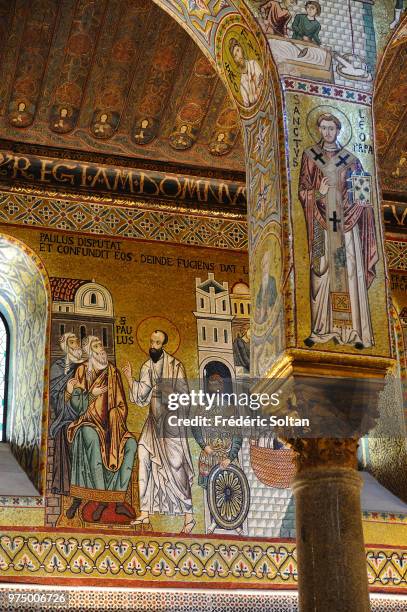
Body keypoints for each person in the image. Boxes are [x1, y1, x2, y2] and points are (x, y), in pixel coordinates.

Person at [298, 112, 378, 348]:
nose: (327, 132)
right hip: (321, 223)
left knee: (350, 272)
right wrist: (318, 193)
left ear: (339, 129)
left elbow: (363, 196)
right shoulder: (310, 156)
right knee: (321, 271)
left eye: (331, 128)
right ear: (319, 130)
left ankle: (354, 332)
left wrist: (351, 205)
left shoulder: (352, 159)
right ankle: (321, 329)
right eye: (323, 128)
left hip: (347, 227)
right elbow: (303, 190)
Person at [122, 330, 195, 533]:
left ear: (164, 345)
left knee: (175, 464)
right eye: (151, 341)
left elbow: (185, 397)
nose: (152, 345)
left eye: (157, 342)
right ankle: (145, 512)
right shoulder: (147, 366)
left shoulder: (175, 366)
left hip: (170, 423)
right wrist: (129, 378)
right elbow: (140, 395)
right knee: (143, 455)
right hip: (153, 423)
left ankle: (189, 516)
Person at [66, 336, 137, 521]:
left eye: (101, 345)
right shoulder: (82, 371)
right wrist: (92, 395)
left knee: (130, 444)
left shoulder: (113, 372)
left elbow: (122, 406)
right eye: (96, 346)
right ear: (89, 351)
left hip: (112, 427)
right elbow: (76, 405)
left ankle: (118, 499)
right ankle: (100, 501)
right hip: (88, 423)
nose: (101, 349)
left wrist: (115, 416)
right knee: (90, 435)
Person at [49, 333, 84, 496]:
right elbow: (54, 395)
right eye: (72, 342)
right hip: (65, 416)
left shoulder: (85, 366)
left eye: (77, 341)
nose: (76, 344)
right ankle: (67, 486)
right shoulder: (57, 366)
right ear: (65, 346)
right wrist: (68, 394)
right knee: (66, 432)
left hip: (85, 414)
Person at [229, 38, 263, 107]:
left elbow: (263, 83)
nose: (238, 56)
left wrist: (254, 97)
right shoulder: (242, 85)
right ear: (235, 60)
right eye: (235, 55)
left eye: (238, 50)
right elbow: (247, 106)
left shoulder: (254, 64)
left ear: (241, 48)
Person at [255, 250, 277, 325]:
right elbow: (259, 295)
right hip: (262, 307)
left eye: (266, 264)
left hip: (269, 306)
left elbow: (275, 295)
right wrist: (258, 305)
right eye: (263, 264)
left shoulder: (272, 280)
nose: (264, 266)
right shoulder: (262, 282)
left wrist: (269, 303)